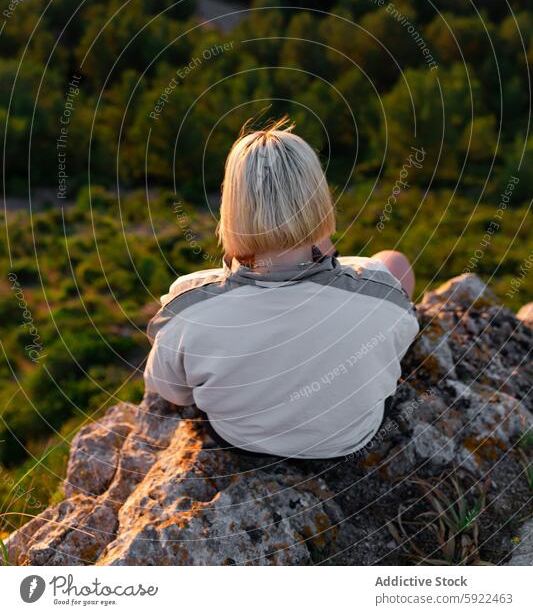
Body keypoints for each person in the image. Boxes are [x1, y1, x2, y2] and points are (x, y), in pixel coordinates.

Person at [144, 118, 419, 459]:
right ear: (319, 197)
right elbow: (401, 343)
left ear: (231, 206)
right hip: (349, 439)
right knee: (394, 260)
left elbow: (171, 392)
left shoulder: (190, 304)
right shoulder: (379, 291)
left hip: (241, 440)